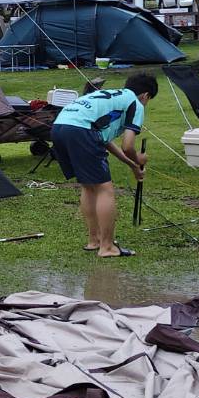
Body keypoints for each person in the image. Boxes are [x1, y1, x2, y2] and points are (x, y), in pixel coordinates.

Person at [49, 73, 156, 259]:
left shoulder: (111, 95)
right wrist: (139, 159)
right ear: (145, 96)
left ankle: (94, 240)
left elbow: (104, 141)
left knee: (89, 186)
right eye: (148, 100)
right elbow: (128, 145)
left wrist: (132, 165)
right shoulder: (136, 103)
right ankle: (107, 247)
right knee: (104, 189)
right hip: (82, 130)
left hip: (59, 126)